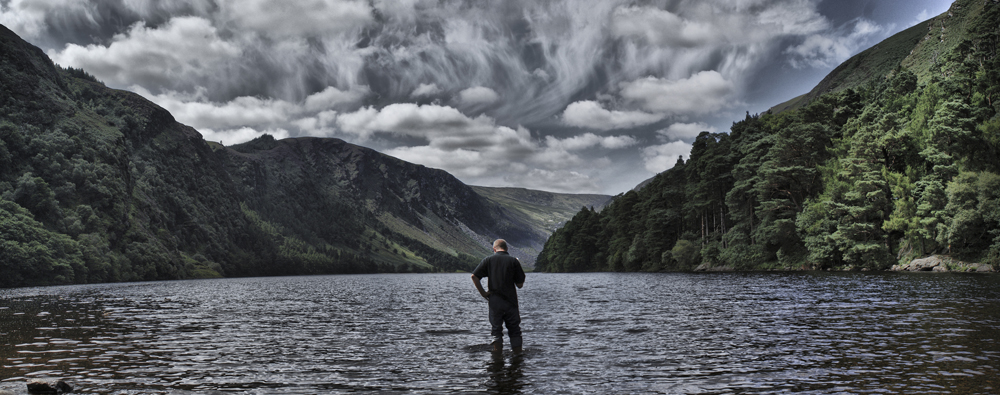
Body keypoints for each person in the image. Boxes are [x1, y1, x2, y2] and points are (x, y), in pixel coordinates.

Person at [471, 239, 526, 353]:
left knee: (496, 330)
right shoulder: (513, 261)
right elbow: (520, 285)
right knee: (515, 330)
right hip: (511, 302)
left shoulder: (488, 260)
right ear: (506, 248)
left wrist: (483, 293)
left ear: (494, 249)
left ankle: (497, 357)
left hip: (495, 302)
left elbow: (474, 276)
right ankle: (517, 356)